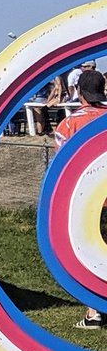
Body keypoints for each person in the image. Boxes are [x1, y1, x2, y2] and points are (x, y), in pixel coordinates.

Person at [53, 69, 107, 329]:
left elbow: (61, 166)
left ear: (79, 92)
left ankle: (94, 312)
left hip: (85, 204)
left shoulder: (69, 123)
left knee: (89, 255)